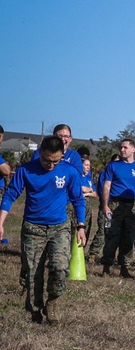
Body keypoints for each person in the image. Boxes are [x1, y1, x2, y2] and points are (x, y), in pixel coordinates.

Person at [0, 134, 86, 324]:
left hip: (60, 227)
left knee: (60, 267)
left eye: (56, 161)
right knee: (32, 273)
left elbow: (78, 200)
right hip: (33, 228)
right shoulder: (26, 170)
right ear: (40, 153)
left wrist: (81, 226)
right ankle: (35, 310)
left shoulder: (69, 172)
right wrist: (1, 222)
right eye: (47, 160)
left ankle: (52, 302)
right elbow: (10, 195)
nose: (51, 165)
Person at [100, 138, 135, 277]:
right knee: (111, 236)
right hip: (115, 204)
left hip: (132, 206)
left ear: (133, 149)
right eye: (121, 147)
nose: (122, 150)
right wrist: (105, 205)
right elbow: (107, 186)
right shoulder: (113, 166)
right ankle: (106, 267)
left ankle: (124, 268)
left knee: (129, 237)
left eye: (125, 147)